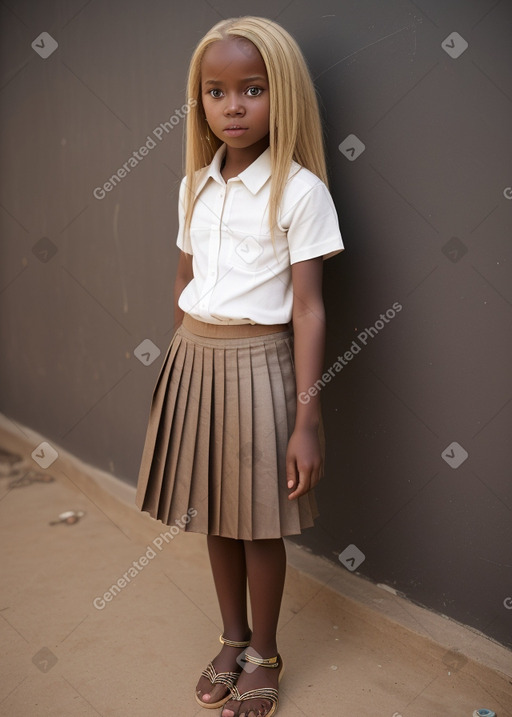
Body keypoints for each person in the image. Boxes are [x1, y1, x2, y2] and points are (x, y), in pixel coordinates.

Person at [135, 15, 344, 717]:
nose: (232, 105)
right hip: (195, 359)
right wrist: (177, 371)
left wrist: (306, 417)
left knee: (258, 522)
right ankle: (231, 636)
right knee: (213, 515)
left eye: (252, 89)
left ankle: (266, 651)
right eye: (215, 91)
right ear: (199, 100)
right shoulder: (194, 184)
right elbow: (182, 278)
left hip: (262, 366)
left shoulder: (301, 191)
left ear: (281, 95)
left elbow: (310, 309)